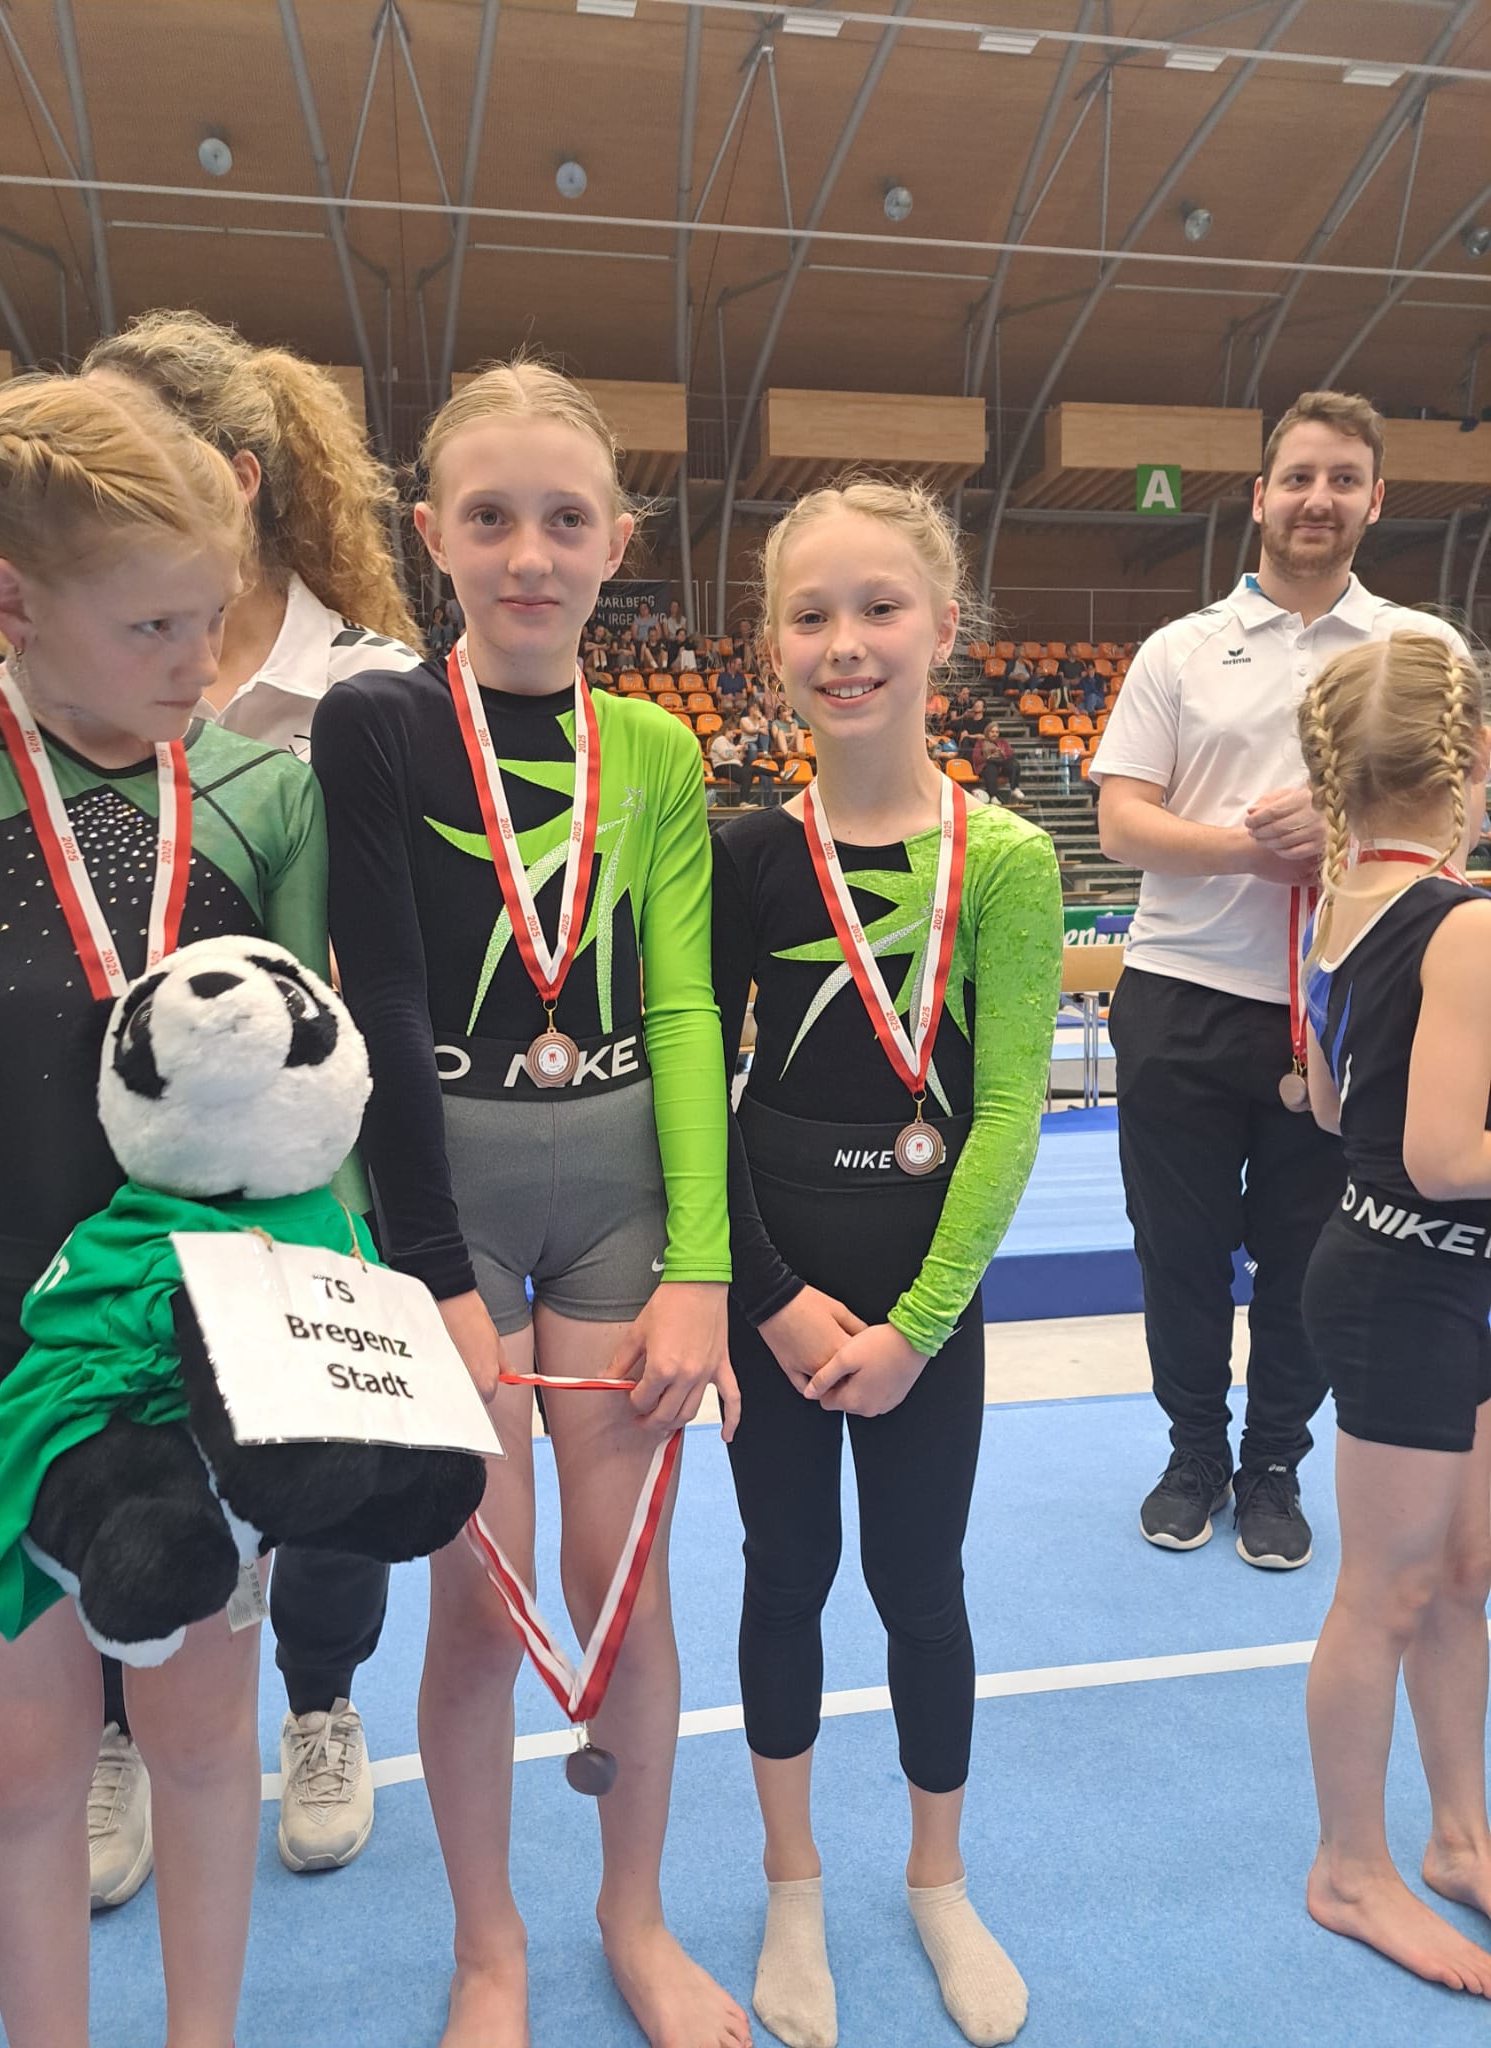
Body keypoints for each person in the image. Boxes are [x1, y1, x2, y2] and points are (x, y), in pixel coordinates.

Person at [309, 358, 748, 2048]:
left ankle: (634, 1916)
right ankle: (488, 1947)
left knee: (622, 1587)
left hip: (622, 1188)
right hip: (450, 1199)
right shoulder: (378, 723)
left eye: (566, 519)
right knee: (480, 1602)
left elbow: (689, 1004)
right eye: (489, 517)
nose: (528, 554)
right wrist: (432, 1272)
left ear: (618, 542)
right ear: (431, 534)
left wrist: (700, 1265)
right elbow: (380, 991)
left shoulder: (654, 747)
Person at [0, 372, 328, 2048]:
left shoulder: (263, 793)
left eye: (215, 614)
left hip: (199, 1336)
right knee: (25, 1764)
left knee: (197, 1741)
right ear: (9, 599)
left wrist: (335, 1340)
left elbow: (319, 1112)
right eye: (153, 625)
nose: (200, 660)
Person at [712, 478, 1061, 2048]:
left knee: (922, 1586)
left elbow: (1007, 1117)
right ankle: (790, 1879)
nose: (845, 642)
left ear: (944, 627)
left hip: (927, 1301)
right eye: (812, 615)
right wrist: (769, 1299)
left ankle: (937, 1876)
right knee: (784, 1574)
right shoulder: (743, 855)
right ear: (772, 644)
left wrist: (921, 1325)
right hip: (776, 1286)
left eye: (879, 608)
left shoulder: (1007, 860)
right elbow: (695, 1095)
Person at [83, 306, 421, 1895]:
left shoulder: (368, 683)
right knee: (118, 1426)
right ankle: (115, 1719)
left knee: (324, 1436)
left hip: (310, 1149)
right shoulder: (66, 657)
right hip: (111, 1139)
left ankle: (323, 1702)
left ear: (231, 475)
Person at [1092, 389, 1472, 1568]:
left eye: (1343, 479)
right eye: (1299, 477)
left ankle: (1273, 1465)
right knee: (1179, 1250)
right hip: (1184, 988)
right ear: (1260, 497)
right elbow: (1119, 821)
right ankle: (1192, 1453)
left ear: (1375, 500)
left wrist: (1347, 825)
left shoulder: (1424, 651)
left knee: (1311, 1250)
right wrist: (1248, 850)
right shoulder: (1180, 649)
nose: (1319, 498)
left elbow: (1463, 808)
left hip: (1349, 998)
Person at [1297, 633, 1491, 1996]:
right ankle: (1349, 1866)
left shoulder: (1338, 901)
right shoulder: (1462, 921)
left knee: (1461, 1571)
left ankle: (1461, 1834)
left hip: (1425, 1274)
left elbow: (1325, 1105)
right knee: (1388, 1590)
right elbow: (1440, 1154)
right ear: (1469, 756)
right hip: (1409, 1281)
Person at [711, 718, 776, 803]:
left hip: (734, 766)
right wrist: (736, 749)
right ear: (727, 730)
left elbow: (738, 758)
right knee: (750, 770)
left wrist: (742, 750)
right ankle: (778, 774)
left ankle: (744, 801)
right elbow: (725, 755)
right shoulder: (720, 739)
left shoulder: (730, 743)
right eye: (733, 733)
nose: (734, 736)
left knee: (752, 770)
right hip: (723, 767)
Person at [974, 721, 1017, 804]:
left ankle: (1015, 789)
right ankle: (993, 796)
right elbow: (976, 758)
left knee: (1013, 763)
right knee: (991, 768)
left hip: (1001, 765)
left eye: (997, 732)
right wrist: (988, 757)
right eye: (992, 732)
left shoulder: (1002, 742)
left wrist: (1002, 753)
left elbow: (1010, 753)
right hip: (986, 765)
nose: (995, 734)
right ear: (987, 732)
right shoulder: (980, 743)